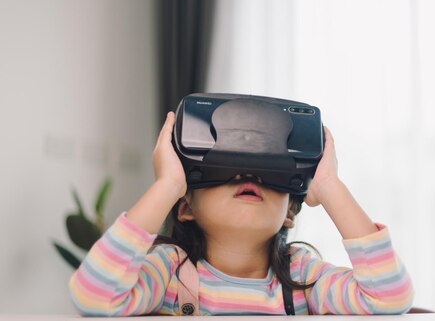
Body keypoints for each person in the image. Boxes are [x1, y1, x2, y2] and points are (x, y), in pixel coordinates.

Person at [68, 111, 414, 315]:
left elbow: (388, 296)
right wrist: (168, 185)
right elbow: (94, 296)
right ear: (186, 207)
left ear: (289, 214)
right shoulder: (172, 271)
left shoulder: (301, 278)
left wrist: (328, 186)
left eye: (268, 174)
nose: (249, 176)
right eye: (227, 169)